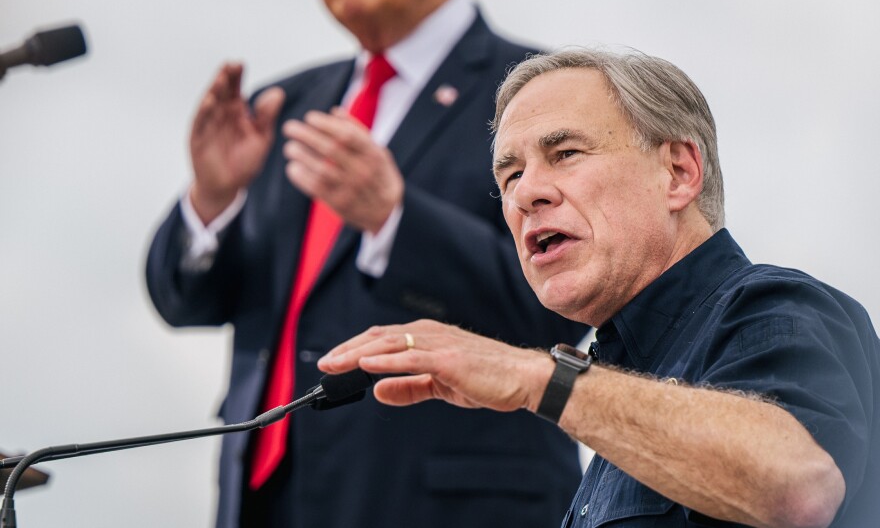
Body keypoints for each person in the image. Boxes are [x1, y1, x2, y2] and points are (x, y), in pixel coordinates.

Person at [318, 47, 880, 527]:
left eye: (565, 154)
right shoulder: (618, 394)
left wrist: (532, 374)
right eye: (509, 175)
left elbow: (797, 486)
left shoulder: (777, 309)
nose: (525, 194)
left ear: (679, 173)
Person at [146, 0, 587, 527]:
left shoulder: (544, 96)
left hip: (449, 503)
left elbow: (561, 304)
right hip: (266, 500)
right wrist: (211, 202)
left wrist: (395, 219)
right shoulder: (282, 107)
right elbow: (182, 302)